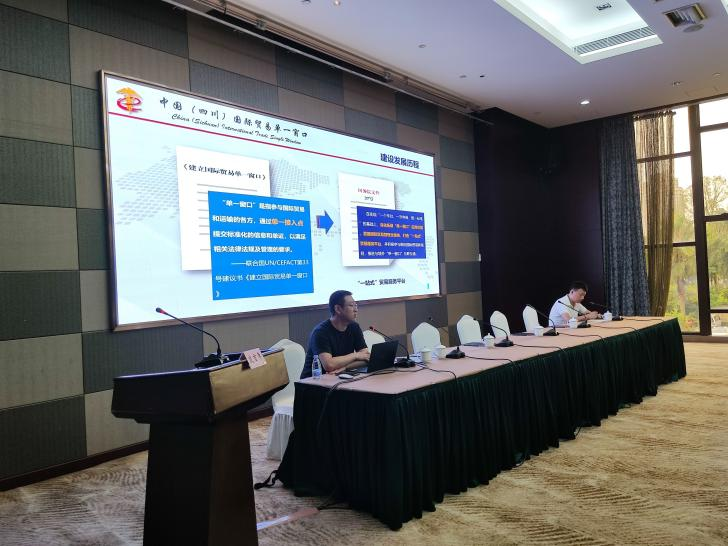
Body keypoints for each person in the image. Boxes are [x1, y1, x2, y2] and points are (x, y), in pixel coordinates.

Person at [300, 290, 370, 378]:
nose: (356, 310)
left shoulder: (354, 326)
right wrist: (355, 355)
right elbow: (329, 365)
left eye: (356, 305)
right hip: (314, 381)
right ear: (337, 309)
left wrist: (345, 367)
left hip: (338, 377)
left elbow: (366, 357)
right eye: (351, 305)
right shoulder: (320, 332)